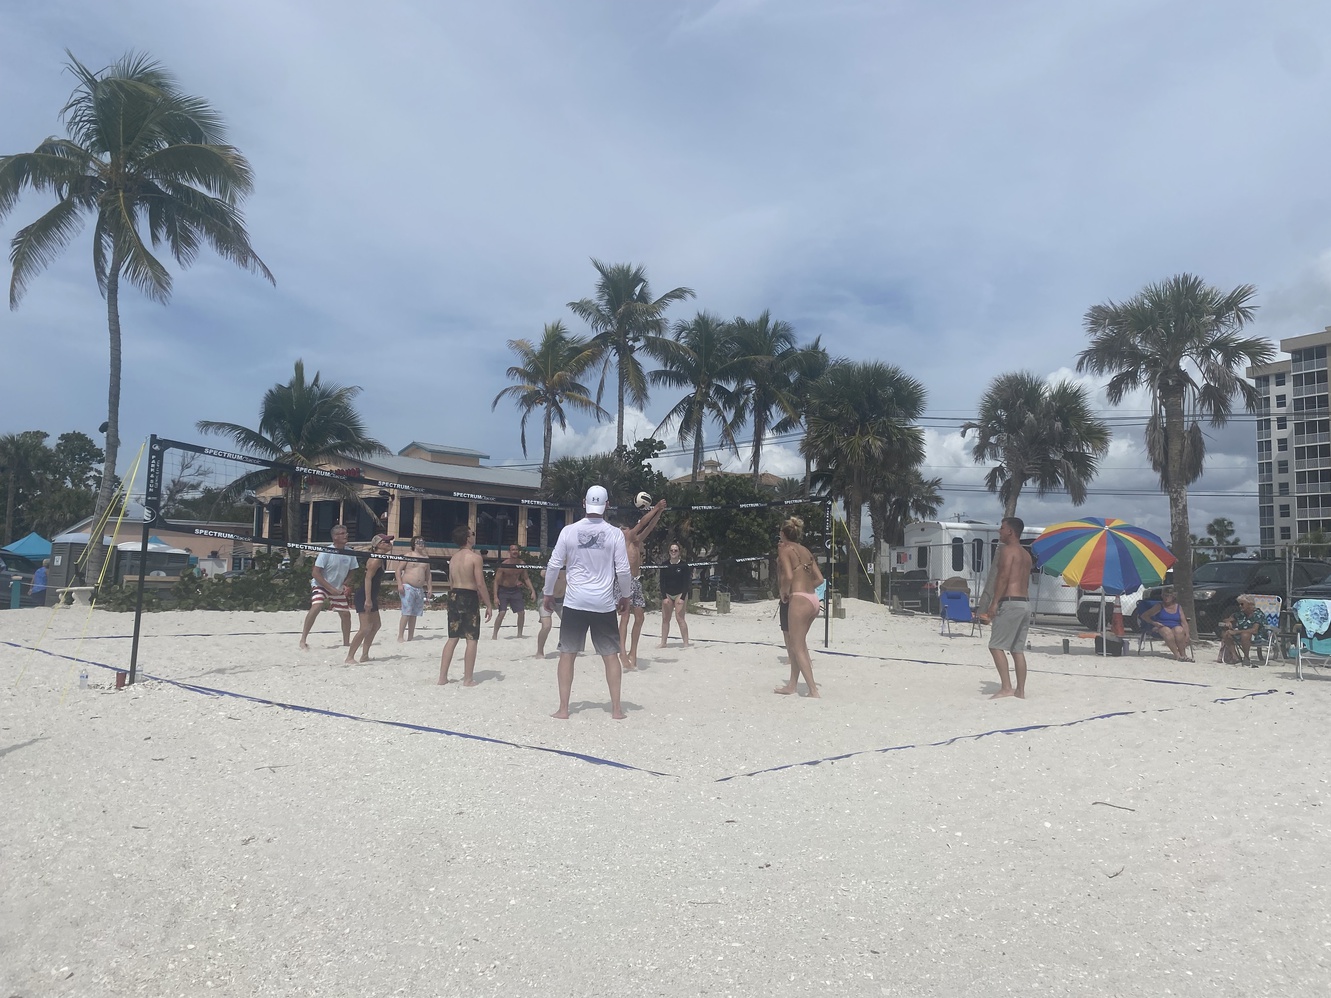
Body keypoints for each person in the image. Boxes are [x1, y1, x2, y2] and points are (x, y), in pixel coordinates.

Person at [544, 485, 632, 720]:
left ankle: (563, 709)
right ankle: (616, 709)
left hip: (574, 601)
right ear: (607, 504)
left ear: (584, 503)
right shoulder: (614, 534)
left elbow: (554, 565)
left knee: (567, 654)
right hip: (603, 603)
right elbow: (623, 570)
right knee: (611, 655)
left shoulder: (568, 531)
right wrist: (626, 595)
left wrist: (547, 592)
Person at [976, 516, 1032, 699]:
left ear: (1010, 531)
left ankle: (1007, 687)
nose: (999, 531)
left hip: (1010, 602)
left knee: (995, 646)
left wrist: (994, 604)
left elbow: (1003, 578)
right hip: (1024, 603)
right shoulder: (1026, 554)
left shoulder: (1008, 551)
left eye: (1002, 528)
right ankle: (1021, 691)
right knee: (1017, 649)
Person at [774, 516, 824, 697]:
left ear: (782, 533)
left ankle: (813, 690)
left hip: (799, 599)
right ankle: (792, 685)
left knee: (797, 646)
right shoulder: (805, 550)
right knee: (798, 644)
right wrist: (805, 587)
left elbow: (787, 575)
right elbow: (820, 579)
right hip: (813, 599)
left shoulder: (785, 550)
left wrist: (784, 592)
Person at [439, 525, 494, 686]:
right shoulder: (475, 558)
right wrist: (488, 604)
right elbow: (480, 583)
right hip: (468, 596)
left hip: (454, 595)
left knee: (453, 637)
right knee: (471, 638)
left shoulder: (453, 558)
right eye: (473, 534)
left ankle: (442, 677)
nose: (474, 536)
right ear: (467, 538)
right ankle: (468, 679)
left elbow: (451, 582)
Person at [616, 498, 667, 671]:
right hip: (624, 581)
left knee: (640, 617)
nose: (623, 530)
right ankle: (622, 652)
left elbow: (649, 526)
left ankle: (633, 652)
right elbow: (643, 522)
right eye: (621, 528)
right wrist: (656, 508)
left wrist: (659, 512)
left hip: (636, 582)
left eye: (624, 528)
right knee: (625, 617)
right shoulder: (625, 540)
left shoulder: (636, 541)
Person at [299, 524, 358, 650]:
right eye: (342, 533)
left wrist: (346, 584)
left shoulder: (350, 552)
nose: (346, 535)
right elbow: (315, 573)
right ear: (335, 537)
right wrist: (330, 588)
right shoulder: (326, 552)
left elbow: (353, 570)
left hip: (337, 587)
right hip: (321, 585)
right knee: (317, 605)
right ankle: (303, 639)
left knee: (346, 614)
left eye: (346, 532)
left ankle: (346, 643)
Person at [346, 534, 393, 664]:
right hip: (365, 595)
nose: (389, 543)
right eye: (386, 541)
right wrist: (368, 600)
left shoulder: (381, 558)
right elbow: (367, 579)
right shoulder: (375, 559)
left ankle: (365, 655)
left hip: (371, 595)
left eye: (389, 541)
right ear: (377, 545)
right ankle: (349, 657)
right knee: (364, 628)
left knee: (376, 625)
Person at [491, 542, 537, 639]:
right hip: (503, 590)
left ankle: (519, 634)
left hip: (515, 590)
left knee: (521, 612)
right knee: (502, 613)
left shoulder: (521, 564)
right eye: (513, 550)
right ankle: (494, 634)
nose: (515, 552)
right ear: (509, 552)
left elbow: (526, 578)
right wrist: (495, 596)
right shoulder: (504, 565)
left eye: (516, 550)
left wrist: (532, 591)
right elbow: (496, 581)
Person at [396, 536, 433, 642]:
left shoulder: (426, 558)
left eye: (422, 541)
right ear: (413, 544)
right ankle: (400, 636)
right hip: (407, 586)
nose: (421, 543)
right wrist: (399, 584)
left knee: (414, 613)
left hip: (419, 588)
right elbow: (398, 570)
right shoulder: (408, 555)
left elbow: (428, 574)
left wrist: (430, 588)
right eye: (418, 542)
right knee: (406, 612)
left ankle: (411, 636)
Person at [1141, 589, 1193, 662]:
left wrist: (1187, 634)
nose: (1166, 597)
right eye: (1165, 595)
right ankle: (1177, 655)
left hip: (1175, 627)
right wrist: (1154, 623)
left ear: (1173, 597)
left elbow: (1184, 622)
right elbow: (1144, 616)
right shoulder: (1159, 606)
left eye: (1169, 596)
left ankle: (1183, 654)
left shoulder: (1178, 607)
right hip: (1161, 627)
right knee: (1167, 631)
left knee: (1179, 630)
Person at [658, 542, 692, 648]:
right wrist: (664, 597)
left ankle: (686, 643)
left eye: (675, 550)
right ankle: (663, 643)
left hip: (680, 593)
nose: (673, 552)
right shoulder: (665, 564)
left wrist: (682, 598)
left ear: (679, 552)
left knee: (680, 618)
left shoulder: (684, 565)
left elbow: (687, 583)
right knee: (665, 619)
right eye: (671, 550)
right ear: (669, 552)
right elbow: (661, 582)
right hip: (668, 593)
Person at [1219, 595, 1266, 667]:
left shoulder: (1258, 614)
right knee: (1227, 632)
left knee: (1245, 634)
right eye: (1239, 604)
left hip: (1257, 636)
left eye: (1242, 604)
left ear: (1250, 604)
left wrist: (1236, 632)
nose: (1240, 606)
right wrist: (1228, 622)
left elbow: (1254, 630)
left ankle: (1246, 657)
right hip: (1242, 635)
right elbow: (1227, 619)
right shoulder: (1240, 614)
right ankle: (1235, 656)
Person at [534, 565, 566, 658]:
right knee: (546, 626)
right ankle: (539, 651)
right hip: (546, 597)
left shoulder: (572, 565)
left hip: (563, 599)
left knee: (569, 625)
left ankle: (563, 648)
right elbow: (542, 574)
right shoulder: (553, 563)